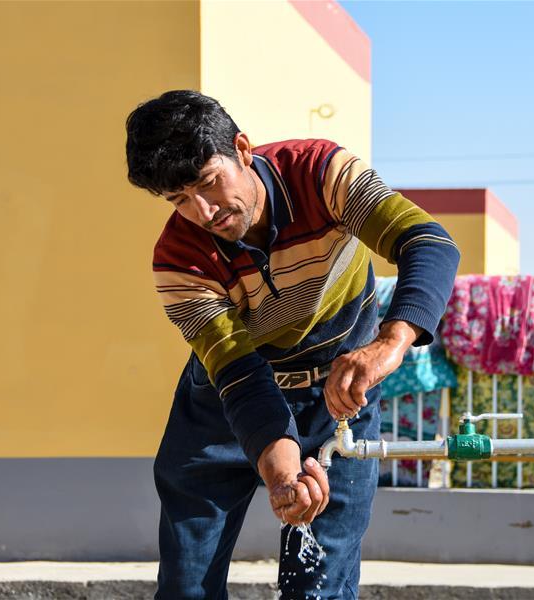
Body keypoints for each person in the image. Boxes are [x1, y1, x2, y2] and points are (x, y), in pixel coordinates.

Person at [125, 90, 460, 599]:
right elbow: (240, 376)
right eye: (178, 200)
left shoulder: (322, 174)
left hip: (339, 398)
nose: (203, 211)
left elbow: (428, 243)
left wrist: (390, 343)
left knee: (319, 587)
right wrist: (282, 474)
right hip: (227, 403)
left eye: (208, 182)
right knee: (187, 587)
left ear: (242, 149)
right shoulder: (177, 260)